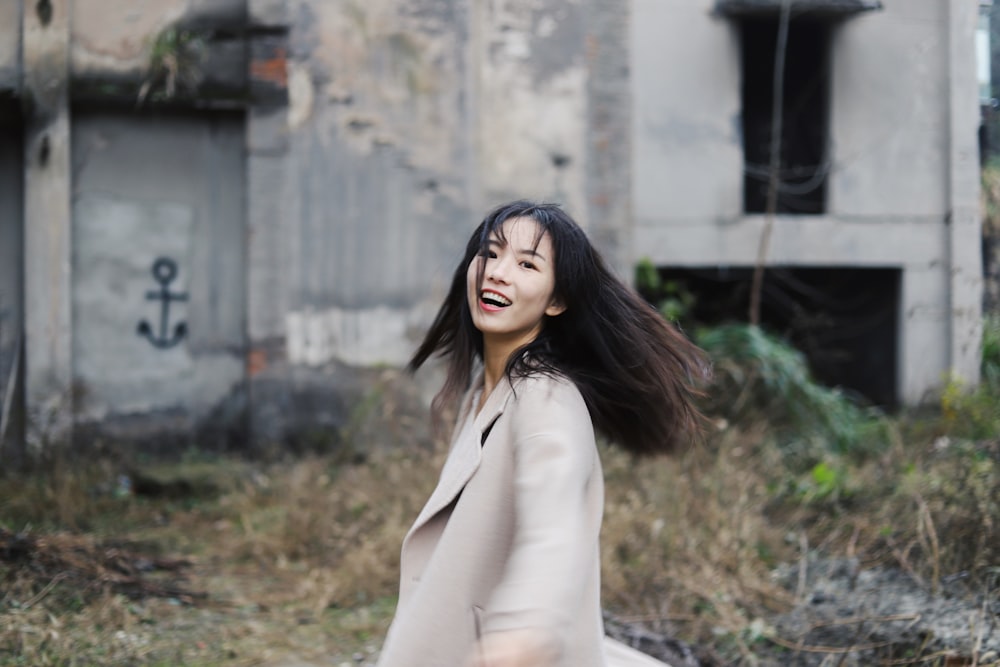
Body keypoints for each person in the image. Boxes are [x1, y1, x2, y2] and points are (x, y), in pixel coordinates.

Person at [375, 201, 709, 667]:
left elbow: (555, 520)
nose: (497, 273)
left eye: (527, 264)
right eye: (490, 254)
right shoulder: (484, 389)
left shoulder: (545, 398)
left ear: (556, 300)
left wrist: (525, 629)